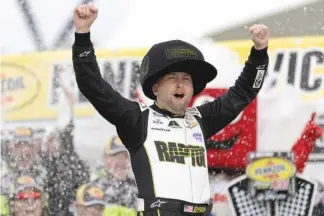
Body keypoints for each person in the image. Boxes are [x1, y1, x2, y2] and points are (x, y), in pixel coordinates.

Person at [72, 3, 270, 216]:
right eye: (172, 78)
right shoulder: (138, 119)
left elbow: (243, 93)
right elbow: (92, 86)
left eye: (186, 79)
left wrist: (259, 54)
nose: (180, 84)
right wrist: (83, 35)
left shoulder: (200, 120)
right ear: (155, 88)